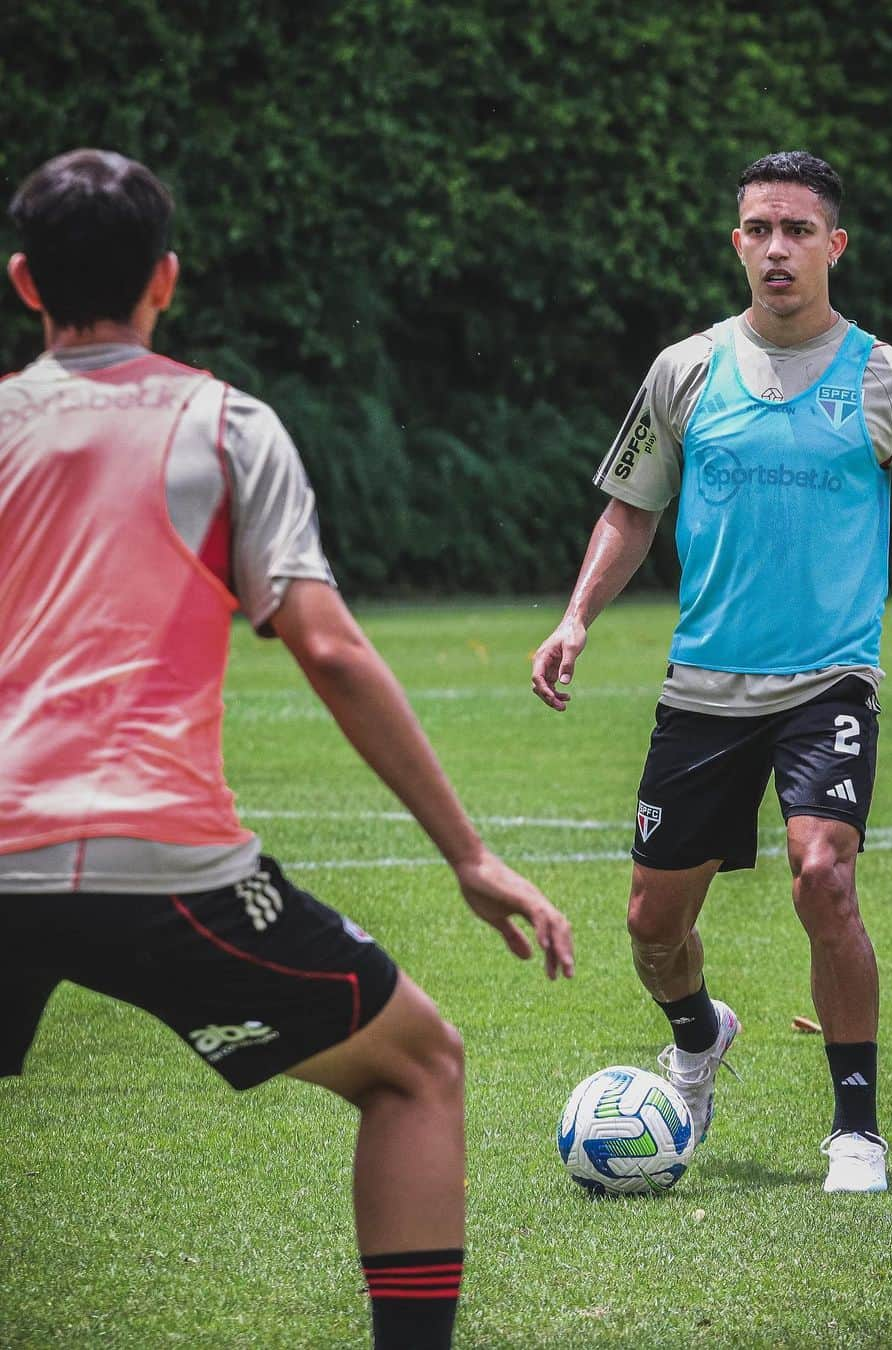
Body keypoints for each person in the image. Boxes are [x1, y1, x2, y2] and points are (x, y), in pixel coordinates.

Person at [0, 148, 574, 1350]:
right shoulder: (225, 425)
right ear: (167, 279)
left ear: (22, 282)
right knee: (417, 1066)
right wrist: (469, 855)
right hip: (159, 860)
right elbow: (330, 649)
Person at [531, 150, 892, 1194]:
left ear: (834, 246)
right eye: (759, 228)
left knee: (823, 874)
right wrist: (576, 619)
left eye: (799, 230)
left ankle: (856, 1131)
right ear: (737, 244)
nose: (777, 248)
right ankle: (697, 1036)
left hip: (828, 682)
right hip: (703, 686)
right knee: (652, 928)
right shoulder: (686, 370)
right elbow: (631, 508)